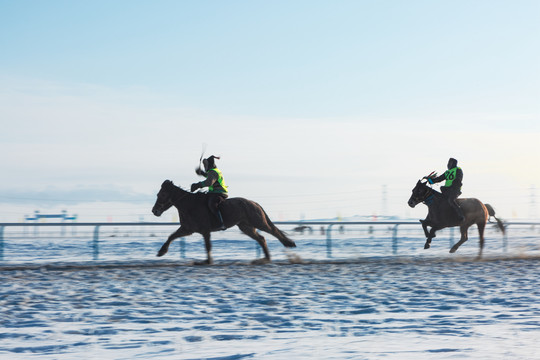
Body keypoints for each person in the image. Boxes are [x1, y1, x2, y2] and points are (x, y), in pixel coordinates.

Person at [191, 155, 228, 230]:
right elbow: (208, 176)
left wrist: (198, 185)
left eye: (205, 165)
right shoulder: (213, 171)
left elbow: (209, 182)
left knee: (212, 204)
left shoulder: (213, 172)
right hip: (214, 192)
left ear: (209, 165)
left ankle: (221, 224)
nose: (204, 167)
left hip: (219, 192)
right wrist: (201, 173)